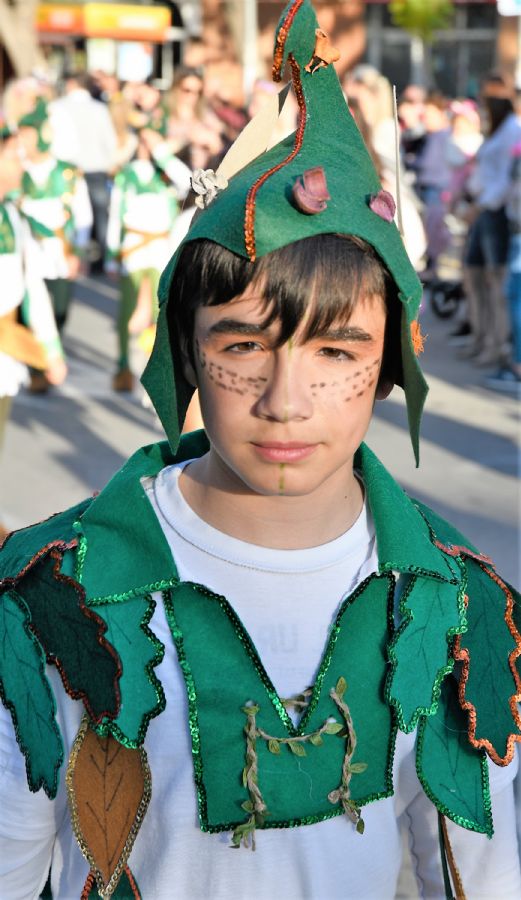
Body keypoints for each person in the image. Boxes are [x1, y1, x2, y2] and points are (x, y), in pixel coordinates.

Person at [0, 3, 520, 899]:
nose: (285, 403)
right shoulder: (53, 589)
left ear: (391, 362)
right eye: (241, 346)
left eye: (336, 352)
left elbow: (477, 872)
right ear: (187, 352)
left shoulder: (455, 600)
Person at [0, 129, 67, 538]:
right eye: (12, 156)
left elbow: (32, 286)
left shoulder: (13, 216)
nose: (21, 164)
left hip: (5, 348)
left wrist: (50, 350)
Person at [105, 124, 191, 391]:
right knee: (127, 311)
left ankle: (156, 370)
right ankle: (123, 366)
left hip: (159, 248)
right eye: (142, 140)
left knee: (160, 311)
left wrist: (161, 151)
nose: (145, 146)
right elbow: (115, 214)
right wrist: (111, 255)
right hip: (133, 247)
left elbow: (188, 180)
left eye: (149, 140)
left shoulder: (167, 173)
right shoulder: (126, 176)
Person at [16, 99, 93, 351]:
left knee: (60, 311)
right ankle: (37, 366)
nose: (23, 142)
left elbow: (83, 215)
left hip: (59, 254)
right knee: (28, 313)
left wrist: (78, 253)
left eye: (28, 135)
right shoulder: (17, 171)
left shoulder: (66, 173)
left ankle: (50, 353)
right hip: (26, 256)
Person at [462, 80, 521, 367]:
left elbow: (505, 180)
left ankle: (497, 344)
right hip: (483, 209)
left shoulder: (511, 131)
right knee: (474, 276)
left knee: (494, 281)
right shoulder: (499, 131)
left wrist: (481, 205)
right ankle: (482, 336)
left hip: (493, 212)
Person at [49, 72, 117, 269]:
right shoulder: (99, 109)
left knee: (69, 214)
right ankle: (102, 261)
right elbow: (109, 141)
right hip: (96, 168)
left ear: (71, 83)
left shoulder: (58, 107)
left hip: (67, 170)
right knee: (100, 216)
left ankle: (70, 255)